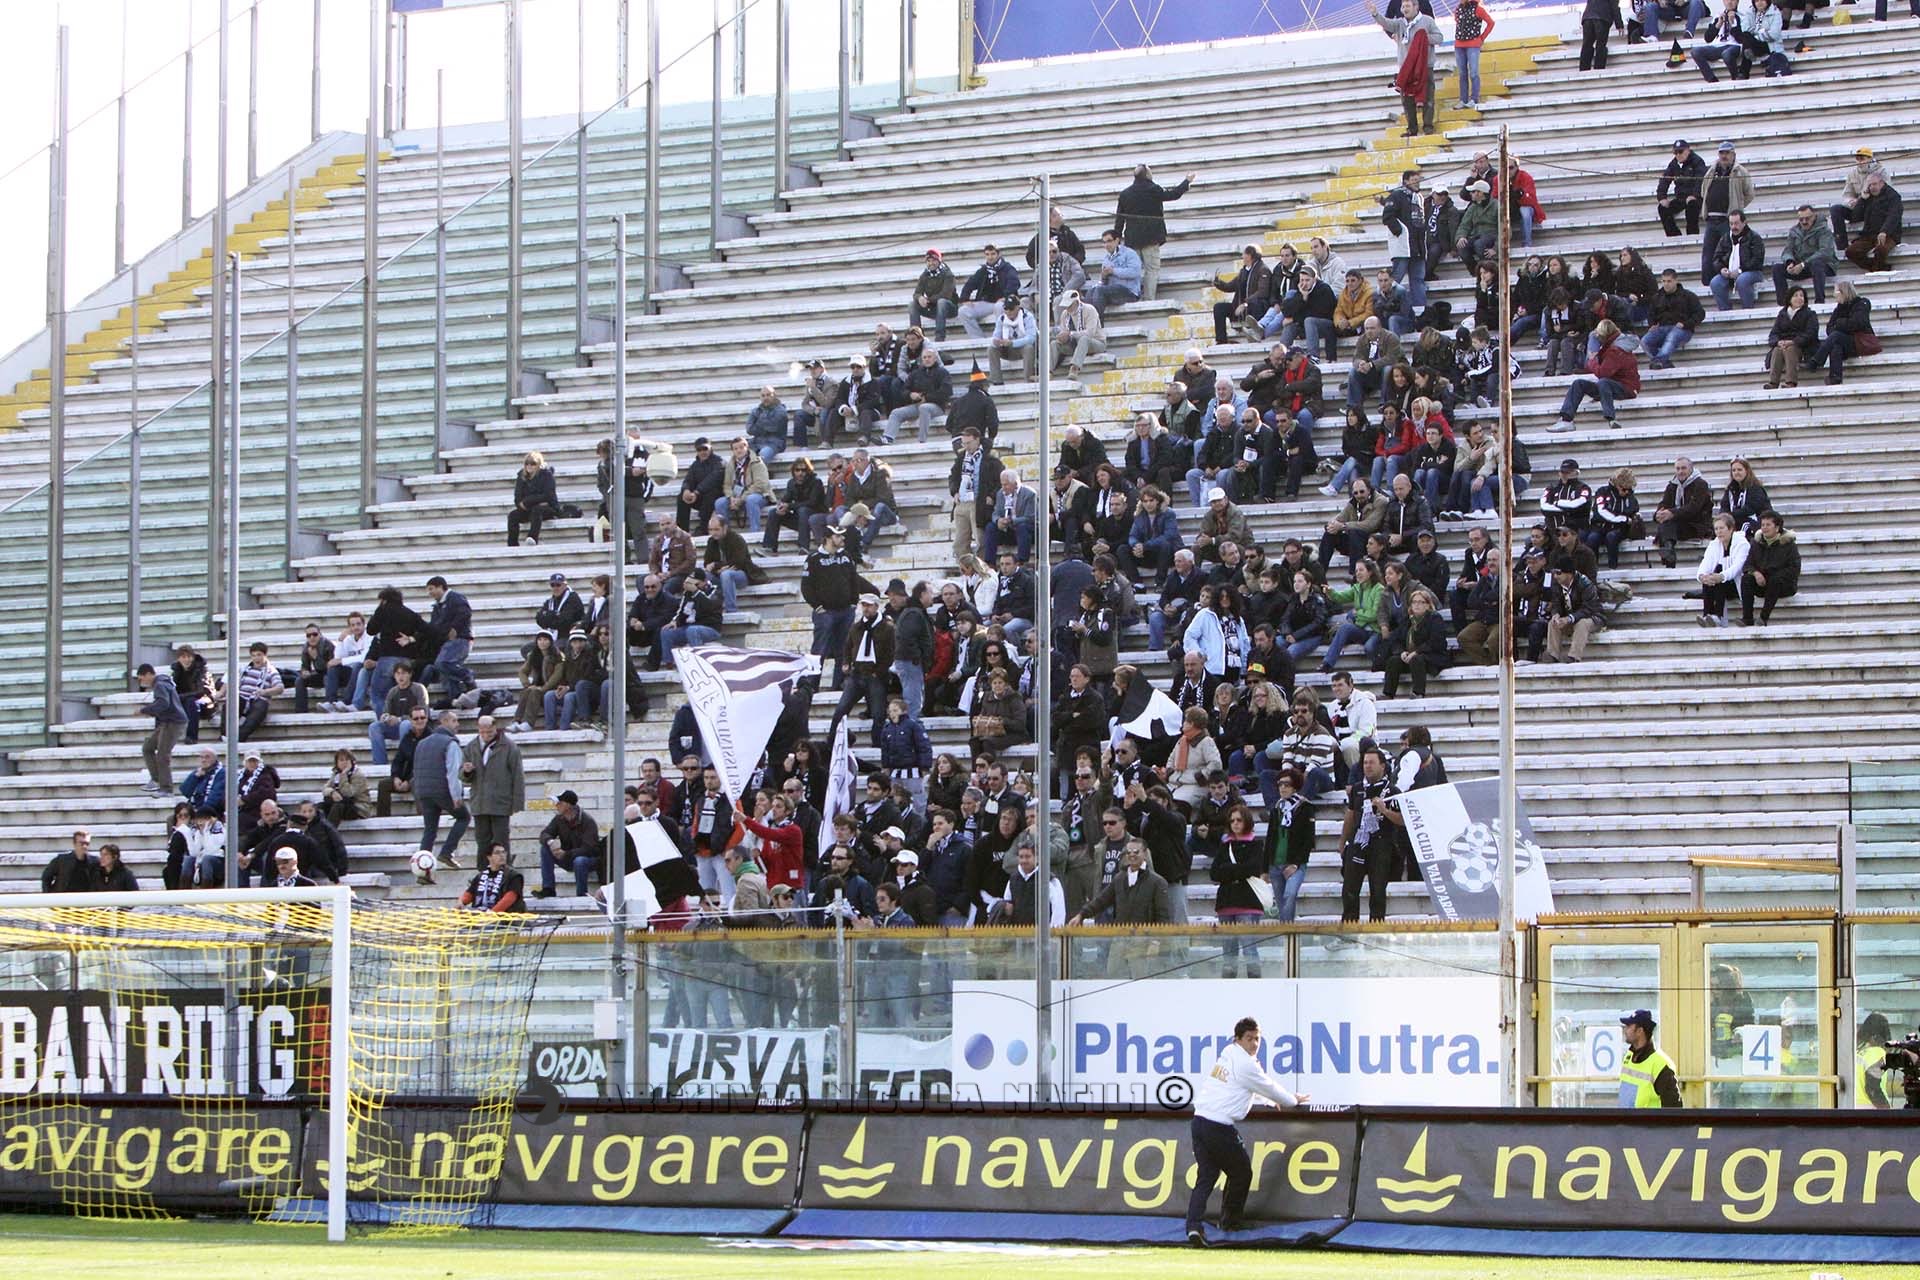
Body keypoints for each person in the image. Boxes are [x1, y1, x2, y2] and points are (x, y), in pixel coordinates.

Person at [1184, 1017, 1309, 1246]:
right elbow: (1267, 1086)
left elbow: (1248, 1087)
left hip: (1199, 1122)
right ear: (1237, 1039)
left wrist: (1270, 1102)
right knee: (1242, 1173)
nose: (1254, 1044)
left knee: (1207, 1176)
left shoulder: (1229, 1053)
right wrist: (1291, 1100)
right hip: (1218, 1126)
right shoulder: (1245, 1064)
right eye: (1249, 1039)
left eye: (1257, 1039)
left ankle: (1193, 1227)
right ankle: (1229, 1223)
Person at [1113, 165, 1193, 301]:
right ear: (1147, 175)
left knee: (1132, 270)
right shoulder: (1153, 189)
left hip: (1132, 239)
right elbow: (1172, 194)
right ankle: (1149, 299)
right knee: (1151, 270)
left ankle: (1132, 298)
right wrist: (1187, 181)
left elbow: (1119, 219)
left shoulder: (1125, 194)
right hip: (1151, 238)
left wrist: (1117, 238)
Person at [1341, 746, 1402, 923]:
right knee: (1349, 889)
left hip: (1381, 845)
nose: (1367, 766)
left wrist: (1385, 810)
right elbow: (1350, 815)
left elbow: (1402, 820)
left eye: (1372, 763)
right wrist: (1343, 841)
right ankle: (1349, 928)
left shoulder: (1393, 791)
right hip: (1358, 843)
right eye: (1365, 763)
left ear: (1382, 766)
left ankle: (1376, 929)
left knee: (1378, 890)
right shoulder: (1357, 788)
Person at [1549, 320, 1638, 432]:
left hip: (1627, 388)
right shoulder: (1609, 347)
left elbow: (1603, 373)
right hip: (1609, 387)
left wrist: (1592, 361)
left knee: (1604, 382)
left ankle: (1611, 419)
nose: (1597, 338)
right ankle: (1566, 420)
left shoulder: (1617, 350)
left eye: (1598, 335)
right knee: (1579, 384)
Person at [1370, 0, 1441, 137]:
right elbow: (1386, 23)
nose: (1404, 9)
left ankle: (1428, 127)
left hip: (1425, 66)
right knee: (1407, 100)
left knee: (1428, 97)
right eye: (1403, 6)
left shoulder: (1427, 21)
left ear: (1416, 7)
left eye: (1407, 6)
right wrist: (1375, 14)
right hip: (1405, 68)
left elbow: (1439, 38)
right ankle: (1412, 129)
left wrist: (1423, 38)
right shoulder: (1400, 23)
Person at [461, 716, 524, 865]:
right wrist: (466, 772)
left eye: (489, 732)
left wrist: (517, 802)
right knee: (482, 841)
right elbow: (463, 776)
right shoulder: (471, 747)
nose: (486, 735)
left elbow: (517, 776)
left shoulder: (509, 747)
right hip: (479, 802)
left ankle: (504, 870)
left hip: (500, 802)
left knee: (501, 840)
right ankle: (483, 871)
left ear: (495, 728)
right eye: (482, 732)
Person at [1699, 143, 1755, 284]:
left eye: (1727, 153)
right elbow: (1703, 191)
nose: (1724, 156)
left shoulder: (1740, 172)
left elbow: (1749, 194)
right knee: (1708, 254)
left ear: (1733, 154)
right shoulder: (1711, 171)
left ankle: (1728, 281)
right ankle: (1709, 283)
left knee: (1728, 252)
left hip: (1727, 220)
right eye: (1721, 153)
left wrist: (1736, 208)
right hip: (1711, 218)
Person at [134, 662, 187, 797]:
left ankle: (166, 789)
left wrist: (145, 710)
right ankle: (157, 779)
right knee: (148, 747)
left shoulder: (160, 685)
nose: (142, 682)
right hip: (167, 722)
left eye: (142, 678)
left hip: (173, 722)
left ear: (148, 674)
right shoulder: (162, 683)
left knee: (163, 755)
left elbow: (163, 703)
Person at [537, 790, 601, 899]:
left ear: (567, 805)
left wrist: (566, 853)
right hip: (568, 857)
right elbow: (544, 833)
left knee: (579, 861)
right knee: (545, 849)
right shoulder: (559, 819)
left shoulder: (588, 821)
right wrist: (550, 842)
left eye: (559, 803)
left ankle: (581, 895)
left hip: (588, 860)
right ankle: (548, 889)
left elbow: (589, 849)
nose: (556, 806)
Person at [1810, 280, 1876, 386]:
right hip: (1848, 343)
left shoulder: (1862, 303)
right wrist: (1842, 327)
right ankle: (1835, 378)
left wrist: (1840, 324)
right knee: (1835, 345)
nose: (1834, 295)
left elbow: (1858, 323)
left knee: (1836, 336)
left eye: (1836, 292)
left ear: (1843, 292)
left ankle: (1816, 361)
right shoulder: (1839, 308)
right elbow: (1829, 328)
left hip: (1861, 342)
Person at [1773, 204, 1839, 308]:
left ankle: (1819, 302)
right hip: (1802, 267)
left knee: (1817, 264)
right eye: (1801, 219)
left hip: (1824, 266)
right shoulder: (1794, 231)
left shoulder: (1824, 230)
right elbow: (1787, 250)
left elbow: (1825, 252)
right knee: (1777, 268)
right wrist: (1790, 262)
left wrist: (1803, 264)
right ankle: (1784, 304)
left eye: (1807, 218)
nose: (1804, 222)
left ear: (1814, 216)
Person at [1653, 455, 1713, 568]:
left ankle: (1669, 554)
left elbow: (1694, 509)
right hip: (1678, 525)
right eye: (1678, 469)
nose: (1680, 471)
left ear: (1691, 469)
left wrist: (1672, 513)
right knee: (1665, 524)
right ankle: (1669, 551)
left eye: (1683, 468)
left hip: (1696, 525)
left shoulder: (1701, 484)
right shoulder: (1672, 485)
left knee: (1666, 526)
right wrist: (1658, 514)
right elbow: (1664, 504)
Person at [1618, 1008, 1682, 1107]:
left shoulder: (1660, 1064)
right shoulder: (1629, 1056)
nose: (1625, 1030)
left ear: (1639, 1031)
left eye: (1629, 1026)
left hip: (1648, 1118)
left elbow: (1673, 1108)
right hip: (1626, 1117)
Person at [1696, 512, 1750, 628]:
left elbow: (1737, 567)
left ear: (1730, 529)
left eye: (1722, 528)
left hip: (1740, 585)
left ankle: (1718, 617)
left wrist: (1721, 576)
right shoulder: (1714, 544)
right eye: (1716, 529)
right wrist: (1702, 576)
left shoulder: (1742, 544)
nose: (1718, 532)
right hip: (1722, 585)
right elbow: (1705, 563)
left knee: (1719, 579)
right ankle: (1707, 615)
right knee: (1709, 578)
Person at [1642, 269, 1704, 370]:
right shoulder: (1657, 297)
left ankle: (1658, 361)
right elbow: (1651, 314)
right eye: (1663, 281)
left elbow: (1700, 314)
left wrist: (1685, 324)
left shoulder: (1688, 296)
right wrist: (1652, 324)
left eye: (1669, 281)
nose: (1666, 284)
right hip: (1662, 328)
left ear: (1676, 281)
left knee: (1672, 336)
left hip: (1682, 329)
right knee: (1645, 341)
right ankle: (1664, 363)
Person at [1841, 173, 1903, 273]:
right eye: (1869, 185)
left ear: (1882, 183)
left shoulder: (1893, 196)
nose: (1872, 187)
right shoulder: (1868, 197)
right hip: (1868, 235)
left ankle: (1876, 270)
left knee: (1881, 249)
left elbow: (1894, 216)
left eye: (1874, 184)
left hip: (1889, 235)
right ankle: (1878, 268)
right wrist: (1862, 199)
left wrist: (1884, 231)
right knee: (1850, 252)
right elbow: (1855, 217)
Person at [956, 244, 1020, 338]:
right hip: (986, 303)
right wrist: (965, 299)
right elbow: (970, 284)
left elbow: (1014, 283)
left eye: (993, 254)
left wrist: (1005, 297)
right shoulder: (983, 270)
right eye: (987, 254)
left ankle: (1000, 338)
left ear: (998, 254)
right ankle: (978, 339)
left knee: (999, 307)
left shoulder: (1007, 268)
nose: (990, 257)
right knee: (963, 311)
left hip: (1002, 302)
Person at [1708, 209, 1766, 311]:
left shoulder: (1755, 238)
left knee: (1742, 280)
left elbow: (1757, 260)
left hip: (1752, 272)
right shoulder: (1725, 238)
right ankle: (1725, 311)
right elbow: (1716, 258)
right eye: (1731, 224)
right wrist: (1721, 269)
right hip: (1729, 273)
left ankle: (1748, 309)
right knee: (1715, 282)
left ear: (1744, 223)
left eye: (1736, 223)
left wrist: (1740, 271)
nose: (1733, 227)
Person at [1763, 286, 1818, 390]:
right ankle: (1773, 382)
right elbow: (1774, 333)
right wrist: (1778, 342)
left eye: (1801, 296)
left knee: (1790, 349)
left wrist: (1793, 342)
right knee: (1777, 350)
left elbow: (1811, 334)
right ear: (1789, 299)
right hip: (1783, 344)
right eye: (1796, 296)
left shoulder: (1810, 314)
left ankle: (1791, 382)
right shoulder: (1782, 314)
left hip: (1802, 346)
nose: (1799, 298)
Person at [506, 450, 561, 546]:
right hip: (528, 509)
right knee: (513, 515)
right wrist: (522, 504)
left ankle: (532, 538)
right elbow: (518, 498)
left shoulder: (546, 475)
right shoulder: (521, 476)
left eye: (533, 463)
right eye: (527, 463)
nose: (529, 466)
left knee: (537, 510)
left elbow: (548, 496)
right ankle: (512, 543)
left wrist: (527, 501)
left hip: (548, 508)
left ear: (538, 464)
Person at [1656, 139, 1705, 239]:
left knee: (1692, 206)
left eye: (1680, 151)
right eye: (1675, 152)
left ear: (1688, 150)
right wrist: (1662, 197)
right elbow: (1665, 180)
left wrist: (1694, 195)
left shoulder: (1697, 161)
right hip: (1681, 198)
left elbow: (1701, 180)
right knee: (1662, 208)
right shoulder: (1674, 163)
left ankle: (1692, 236)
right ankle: (1674, 236)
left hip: (1696, 197)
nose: (1678, 155)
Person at [909, 247, 959, 341]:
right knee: (912, 304)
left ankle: (939, 337)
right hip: (933, 308)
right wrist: (920, 298)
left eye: (934, 260)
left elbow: (946, 295)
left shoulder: (948, 275)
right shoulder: (925, 275)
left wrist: (928, 300)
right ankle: (916, 336)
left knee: (941, 302)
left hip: (949, 308)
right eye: (928, 261)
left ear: (939, 261)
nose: (931, 263)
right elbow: (916, 293)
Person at [1452, 0, 1496, 106]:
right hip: (1459, 45)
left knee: (1473, 73)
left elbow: (1491, 23)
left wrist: (1482, 38)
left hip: (1473, 44)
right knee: (1462, 73)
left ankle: (1474, 98)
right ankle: (1463, 100)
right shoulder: (1458, 9)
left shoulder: (1478, 9)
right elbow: (1458, 22)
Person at [461, 844, 527, 913]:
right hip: (481, 913)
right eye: (497, 853)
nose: (502, 855)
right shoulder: (480, 876)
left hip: (504, 916)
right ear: (489, 857)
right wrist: (461, 902)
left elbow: (510, 898)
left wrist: (491, 913)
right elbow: (469, 893)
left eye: (503, 852)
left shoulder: (514, 876)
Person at [321, 748, 369, 827]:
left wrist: (343, 775)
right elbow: (325, 788)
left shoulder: (358, 775)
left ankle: (328, 833)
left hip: (358, 807)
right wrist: (332, 792)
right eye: (341, 760)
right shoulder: (336, 773)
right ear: (337, 763)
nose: (344, 762)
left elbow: (349, 793)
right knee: (320, 807)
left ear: (352, 761)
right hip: (343, 804)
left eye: (347, 759)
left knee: (337, 807)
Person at [1578, 0, 1626, 69]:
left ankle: (1583, 69)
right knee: (1601, 45)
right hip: (1602, 17)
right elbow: (1614, 7)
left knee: (1587, 45)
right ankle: (1599, 69)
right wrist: (1619, 25)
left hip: (1587, 17)